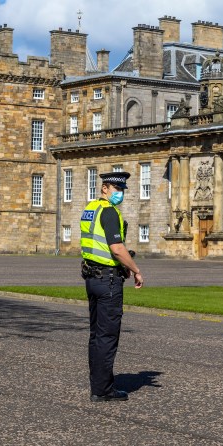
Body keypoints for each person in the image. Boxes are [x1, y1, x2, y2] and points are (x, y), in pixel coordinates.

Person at [80, 170, 144, 402]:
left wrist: (122, 264)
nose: (120, 195)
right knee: (107, 336)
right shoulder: (108, 212)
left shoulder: (91, 209)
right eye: (117, 190)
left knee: (96, 335)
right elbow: (116, 248)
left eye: (122, 191)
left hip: (92, 277)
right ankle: (103, 390)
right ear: (105, 188)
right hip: (107, 281)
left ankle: (98, 384)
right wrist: (135, 270)